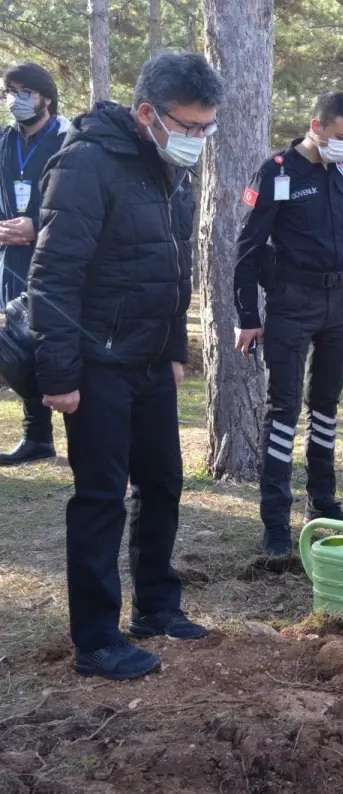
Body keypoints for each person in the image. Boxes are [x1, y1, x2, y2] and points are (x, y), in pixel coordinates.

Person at [28, 53, 225, 681]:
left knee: (164, 482)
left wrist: (172, 351)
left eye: (206, 129)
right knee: (100, 498)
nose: (197, 140)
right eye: (189, 126)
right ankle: (96, 640)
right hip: (95, 364)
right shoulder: (85, 164)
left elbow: (170, 271)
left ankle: (157, 608)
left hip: (146, 361)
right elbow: (54, 274)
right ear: (147, 114)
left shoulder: (168, 170)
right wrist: (57, 375)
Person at [234, 92, 343, 556]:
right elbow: (247, 250)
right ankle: (276, 525)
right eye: (340, 136)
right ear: (316, 125)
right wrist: (248, 316)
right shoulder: (277, 171)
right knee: (282, 411)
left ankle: (322, 502)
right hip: (290, 301)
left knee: (325, 404)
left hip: (338, 301)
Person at [0, 63, 69, 466]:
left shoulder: (68, 138)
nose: (15, 99)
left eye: (24, 91)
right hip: (13, 260)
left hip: (58, 258)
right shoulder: (5, 141)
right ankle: (37, 438)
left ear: (46, 96)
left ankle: (88, 437)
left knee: (60, 343)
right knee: (19, 349)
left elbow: (82, 202)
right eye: (10, 91)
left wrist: (38, 225)